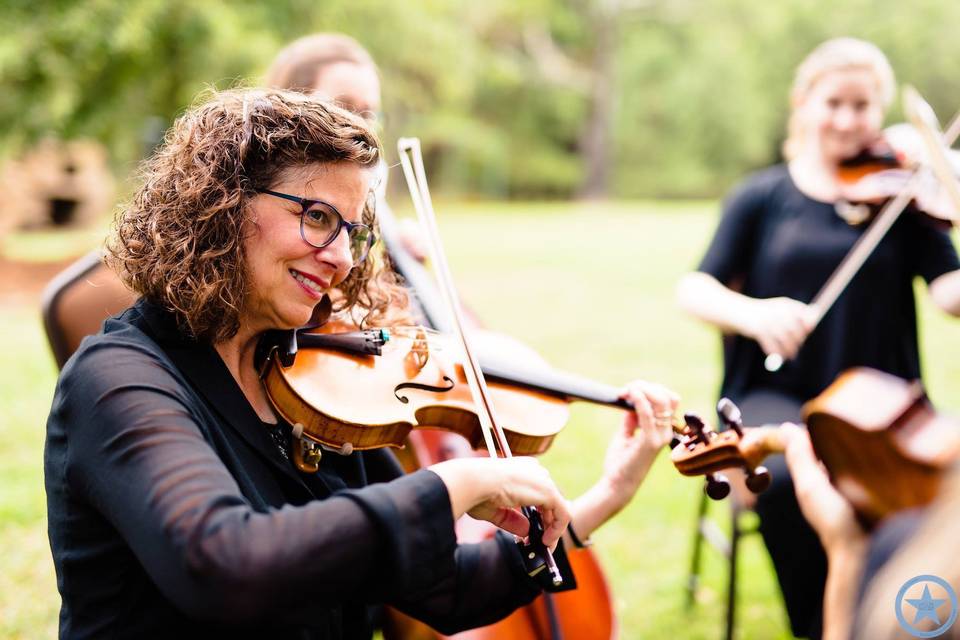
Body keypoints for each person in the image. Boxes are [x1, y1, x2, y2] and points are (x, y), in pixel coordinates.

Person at [44, 88, 679, 639]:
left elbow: (451, 594)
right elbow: (223, 563)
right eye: (318, 217)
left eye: (353, 230)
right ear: (221, 205)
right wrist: (454, 487)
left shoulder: (316, 391)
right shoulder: (119, 380)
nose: (344, 259)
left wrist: (605, 495)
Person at [264, 31, 680, 555]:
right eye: (345, 108)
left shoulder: (376, 262)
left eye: (373, 113)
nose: (362, 128)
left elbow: (453, 586)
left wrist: (613, 489)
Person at [676, 37, 960, 638]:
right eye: (834, 102)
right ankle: (819, 623)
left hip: (885, 403)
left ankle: (905, 619)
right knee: (782, 482)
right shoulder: (763, 196)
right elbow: (694, 289)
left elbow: (947, 294)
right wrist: (754, 314)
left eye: (863, 106)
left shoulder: (904, 194)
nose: (848, 119)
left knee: (938, 488)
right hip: (777, 398)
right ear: (803, 104)